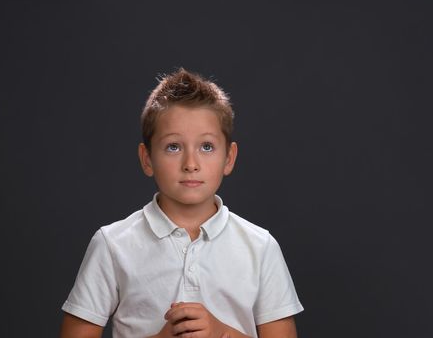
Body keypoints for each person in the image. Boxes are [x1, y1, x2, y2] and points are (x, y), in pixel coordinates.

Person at [59, 69, 304, 338]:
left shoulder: (260, 247)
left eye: (207, 147)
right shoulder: (112, 244)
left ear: (229, 158)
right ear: (147, 159)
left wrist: (222, 333)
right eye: (173, 147)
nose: (191, 164)